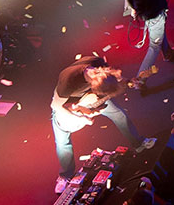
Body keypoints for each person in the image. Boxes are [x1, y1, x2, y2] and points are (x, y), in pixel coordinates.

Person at [51, 54, 138, 192]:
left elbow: (117, 78)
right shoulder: (68, 80)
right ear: (92, 84)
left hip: (93, 98)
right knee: (63, 140)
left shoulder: (98, 65)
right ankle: (65, 175)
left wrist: (129, 82)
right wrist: (81, 119)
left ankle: (138, 143)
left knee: (118, 114)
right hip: (68, 104)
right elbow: (55, 106)